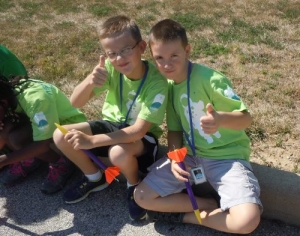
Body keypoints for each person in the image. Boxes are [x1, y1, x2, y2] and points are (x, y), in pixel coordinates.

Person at [134, 19, 263, 234]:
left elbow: (245, 119)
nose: (167, 64)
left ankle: (187, 217)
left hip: (226, 158)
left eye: (174, 55)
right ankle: (208, 204)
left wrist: (220, 119)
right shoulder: (169, 86)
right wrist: (175, 158)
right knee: (141, 197)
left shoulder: (211, 80)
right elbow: (174, 130)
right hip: (191, 157)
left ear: (187, 50)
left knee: (246, 221)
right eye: (159, 58)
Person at [53, 15, 168, 221]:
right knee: (60, 135)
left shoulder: (157, 82)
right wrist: (90, 81)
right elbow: (75, 103)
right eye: (111, 53)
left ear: (141, 47)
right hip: (112, 125)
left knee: (118, 153)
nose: (119, 58)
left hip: (142, 139)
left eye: (125, 50)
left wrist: (92, 141)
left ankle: (133, 185)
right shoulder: (110, 69)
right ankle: (95, 177)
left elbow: (139, 131)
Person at [0, 74, 87, 194]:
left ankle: (62, 164)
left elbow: (44, 143)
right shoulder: (8, 96)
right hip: (45, 127)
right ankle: (30, 157)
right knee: (7, 128)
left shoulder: (35, 100)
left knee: (17, 138)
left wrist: (4, 160)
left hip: (68, 132)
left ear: (3, 102)